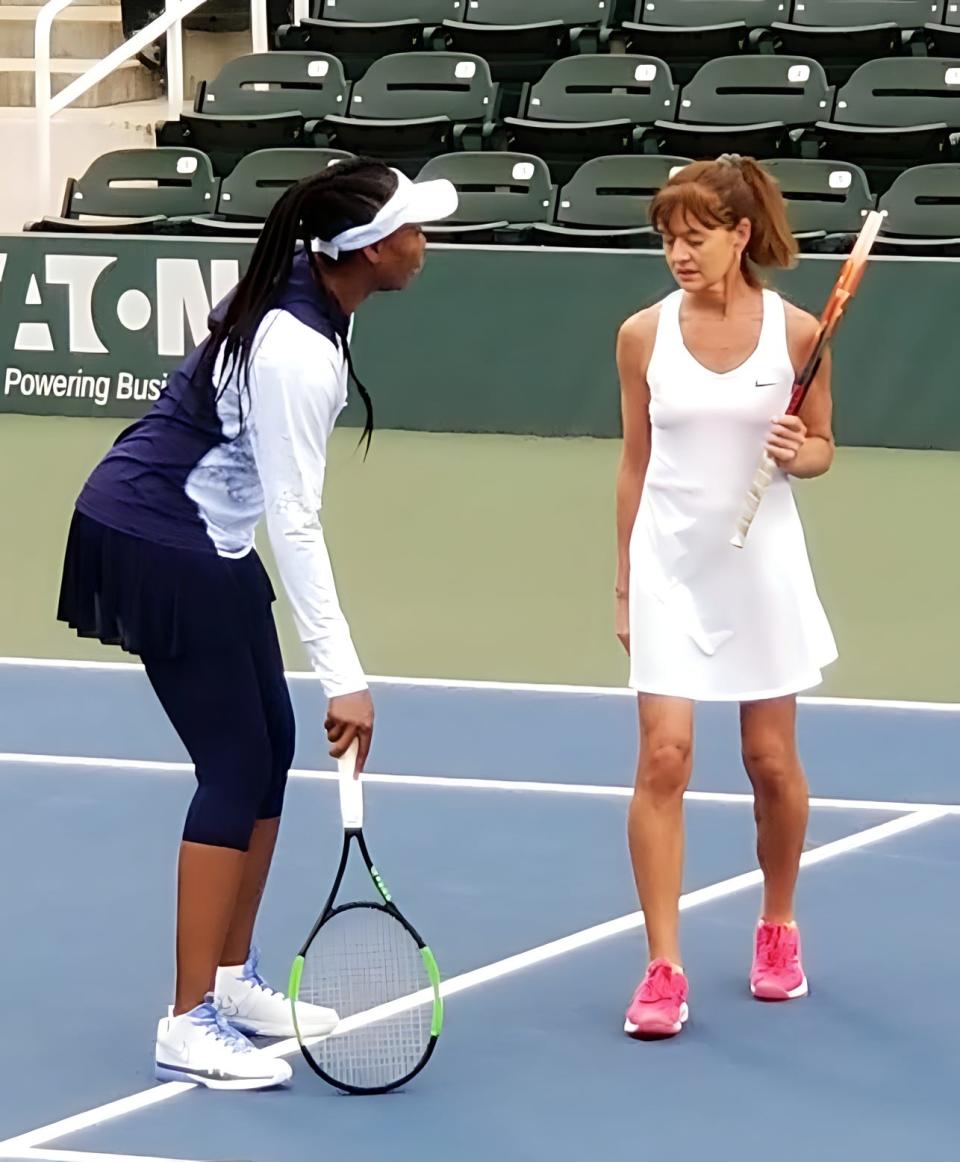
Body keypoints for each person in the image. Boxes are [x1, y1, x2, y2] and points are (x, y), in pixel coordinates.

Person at [56, 159, 458, 1087]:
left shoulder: (312, 294)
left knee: (269, 743)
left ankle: (231, 980)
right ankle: (186, 1018)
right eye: (411, 228)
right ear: (363, 249)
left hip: (206, 537)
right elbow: (295, 516)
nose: (423, 242)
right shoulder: (297, 351)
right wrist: (345, 674)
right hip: (159, 536)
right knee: (233, 764)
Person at [614, 154, 838, 1040]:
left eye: (695, 237)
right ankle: (662, 966)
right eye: (668, 237)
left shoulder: (797, 334)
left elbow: (823, 447)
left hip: (763, 567)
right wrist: (626, 583)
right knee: (664, 757)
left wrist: (796, 451)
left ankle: (777, 923)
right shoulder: (641, 334)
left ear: (741, 234)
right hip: (669, 563)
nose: (678, 252)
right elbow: (634, 462)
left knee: (769, 761)